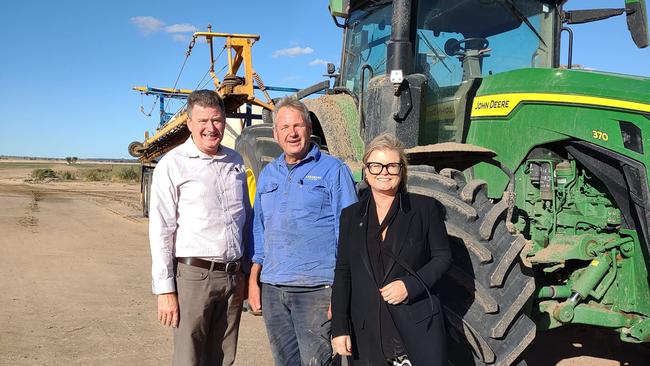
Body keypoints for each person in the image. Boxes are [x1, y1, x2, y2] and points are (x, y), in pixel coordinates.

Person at [248, 97, 358, 365]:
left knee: (317, 362)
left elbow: (349, 235)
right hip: (273, 289)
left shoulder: (334, 171)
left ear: (309, 129)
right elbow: (260, 229)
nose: (292, 133)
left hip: (317, 290)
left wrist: (342, 294)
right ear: (275, 133)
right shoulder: (268, 174)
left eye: (298, 125)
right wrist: (254, 279)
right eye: (284, 127)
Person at [331, 133, 452, 366]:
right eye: (376, 165)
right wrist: (339, 328)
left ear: (402, 171)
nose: (384, 172)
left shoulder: (424, 209)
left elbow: (443, 257)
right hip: (366, 333)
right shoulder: (351, 216)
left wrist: (410, 285)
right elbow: (343, 272)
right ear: (366, 171)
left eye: (391, 166)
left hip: (415, 325)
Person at [149, 89, 250, 366]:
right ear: (189, 124)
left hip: (232, 276)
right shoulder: (173, 164)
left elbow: (245, 219)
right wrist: (165, 290)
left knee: (223, 358)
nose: (210, 128)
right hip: (194, 277)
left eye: (216, 120)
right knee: (189, 359)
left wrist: (246, 272)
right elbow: (161, 231)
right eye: (202, 121)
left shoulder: (235, 162)